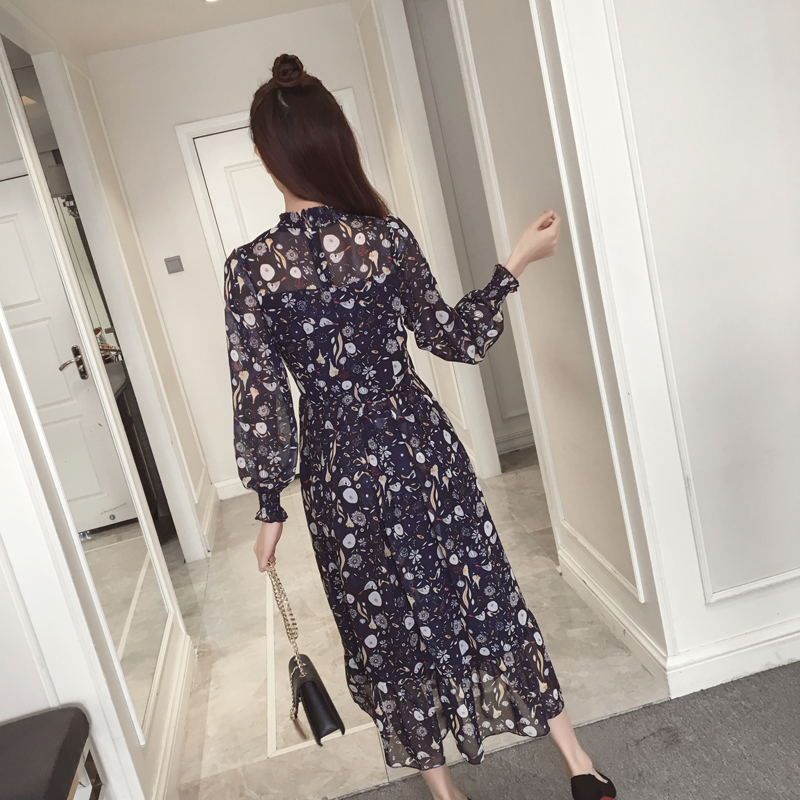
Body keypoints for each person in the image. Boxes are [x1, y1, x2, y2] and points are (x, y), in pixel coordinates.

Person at [224, 53, 616, 800]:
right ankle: (578, 763)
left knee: (385, 624)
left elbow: (260, 396)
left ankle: (444, 792)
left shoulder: (251, 269)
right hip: (419, 447)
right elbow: (453, 338)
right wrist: (514, 264)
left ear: (265, 159)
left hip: (338, 471)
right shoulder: (385, 239)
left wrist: (271, 505)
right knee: (482, 590)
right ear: (337, 145)